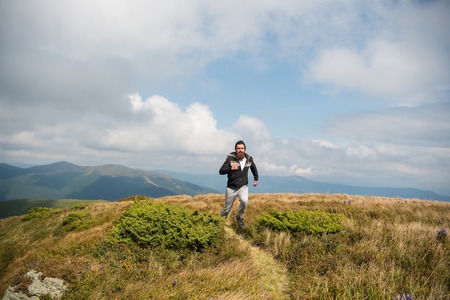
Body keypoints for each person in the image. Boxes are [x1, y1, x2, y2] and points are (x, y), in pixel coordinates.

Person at [219, 140, 259, 228]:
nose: (240, 150)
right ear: (235, 149)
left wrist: (256, 178)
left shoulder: (249, 159)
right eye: (238, 148)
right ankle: (218, 224)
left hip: (243, 186)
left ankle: (239, 216)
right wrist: (230, 168)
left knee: (244, 201)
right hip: (231, 187)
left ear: (245, 149)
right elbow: (221, 171)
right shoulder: (230, 158)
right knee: (226, 209)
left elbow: (253, 168)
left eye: (242, 148)